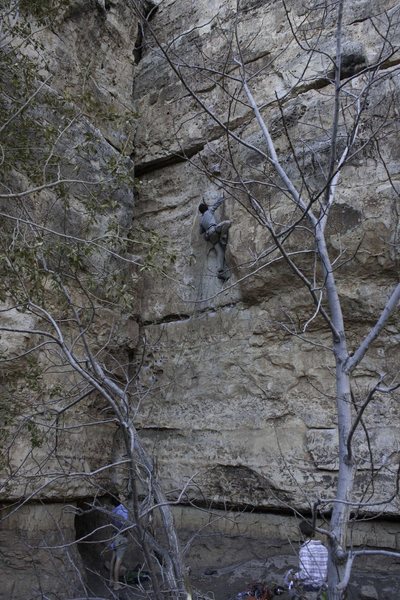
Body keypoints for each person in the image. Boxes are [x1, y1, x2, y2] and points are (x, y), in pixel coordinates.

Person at [287, 520, 328, 599]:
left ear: (302, 533)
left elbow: (305, 573)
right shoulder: (324, 548)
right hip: (323, 590)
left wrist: (294, 577)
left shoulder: (305, 549)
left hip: (310, 591)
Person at [198, 196, 231, 280]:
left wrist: (204, 224)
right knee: (227, 223)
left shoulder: (201, 220)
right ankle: (223, 237)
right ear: (206, 208)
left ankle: (220, 271)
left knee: (220, 252)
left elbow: (201, 231)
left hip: (210, 236)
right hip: (215, 230)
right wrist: (223, 198)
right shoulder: (209, 211)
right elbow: (216, 204)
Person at [109, 498, 129, 591]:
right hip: (121, 537)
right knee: (118, 561)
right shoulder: (123, 510)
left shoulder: (113, 511)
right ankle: (116, 584)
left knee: (113, 558)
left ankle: (111, 580)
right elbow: (126, 524)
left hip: (114, 536)